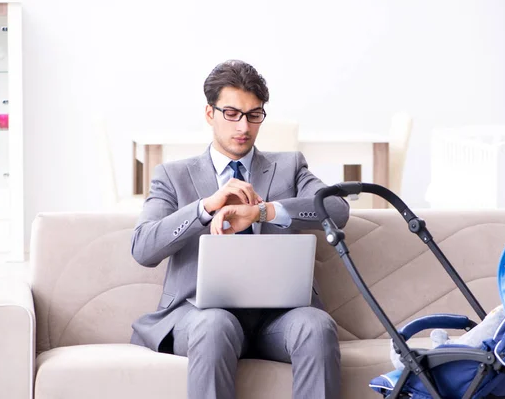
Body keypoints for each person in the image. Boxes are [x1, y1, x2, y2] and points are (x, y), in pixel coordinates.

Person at [130, 59, 350, 399]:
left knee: (316, 326)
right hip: (201, 316)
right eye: (231, 113)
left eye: (253, 115)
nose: (243, 126)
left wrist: (263, 211)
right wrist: (205, 207)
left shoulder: (289, 166)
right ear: (209, 113)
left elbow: (336, 209)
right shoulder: (172, 176)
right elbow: (143, 247)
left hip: (279, 320)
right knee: (215, 325)